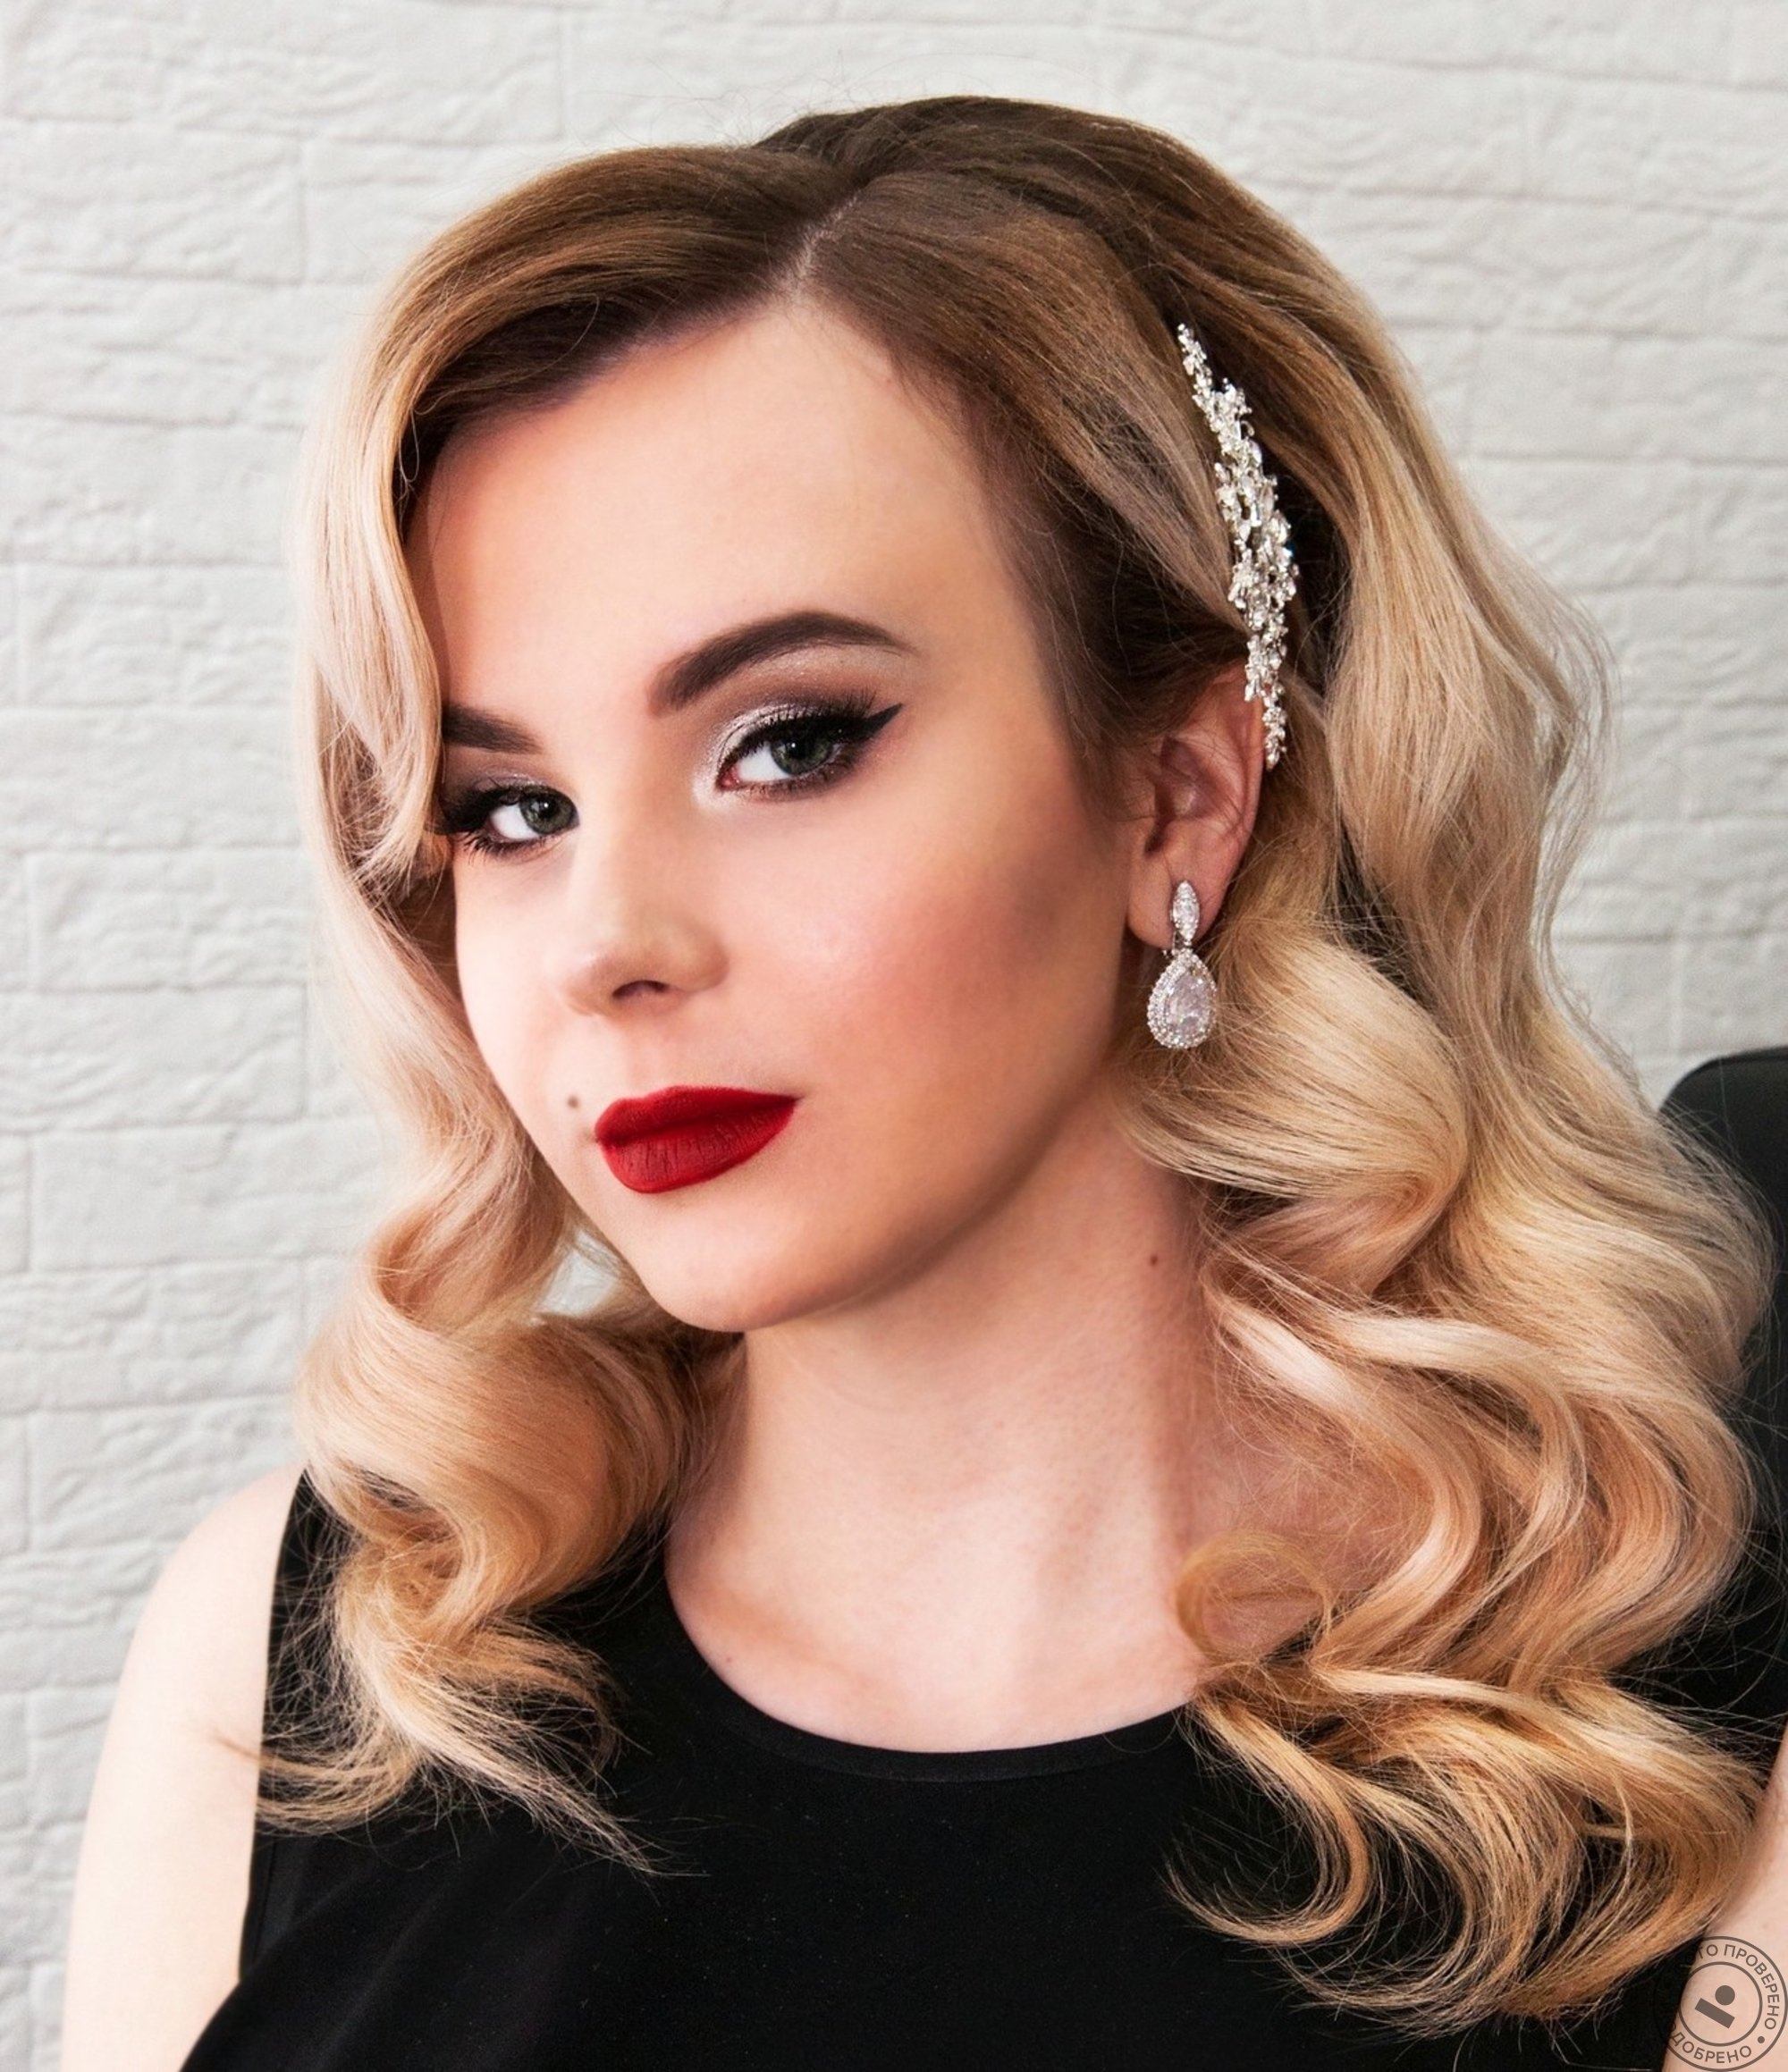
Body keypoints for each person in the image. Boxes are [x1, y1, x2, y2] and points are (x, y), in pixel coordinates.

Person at [56, 95, 1788, 2070]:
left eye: (787, 743)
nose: (604, 941)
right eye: (511, 807)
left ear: (1180, 792)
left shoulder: (1657, 1717)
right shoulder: (310, 1657)